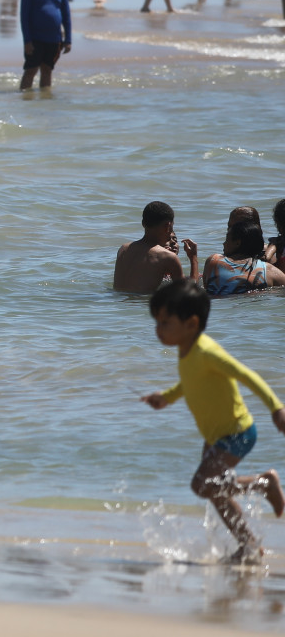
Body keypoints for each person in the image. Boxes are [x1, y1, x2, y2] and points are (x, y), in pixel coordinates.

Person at [140, 280, 285, 563]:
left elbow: (246, 375)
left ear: (191, 323)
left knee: (202, 485)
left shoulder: (207, 351)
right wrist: (166, 397)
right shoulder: (187, 350)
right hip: (215, 436)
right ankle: (249, 546)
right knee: (216, 493)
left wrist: (276, 407)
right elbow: (189, 383)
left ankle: (264, 484)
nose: (158, 329)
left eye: (165, 322)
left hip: (237, 433)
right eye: (157, 322)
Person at [113, 201, 199, 292]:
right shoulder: (168, 257)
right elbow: (188, 293)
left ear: (143, 223)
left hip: (119, 303)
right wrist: (193, 258)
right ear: (168, 226)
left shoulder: (123, 249)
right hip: (142, 304)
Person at [19, 0, 72, 90]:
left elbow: (66, 17)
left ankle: (45, 99)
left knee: (47, 70)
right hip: (35, 40)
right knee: (31, 70)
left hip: (54, 40)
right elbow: (24, 18)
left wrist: (68, 40)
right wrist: (27, 41)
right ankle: (25, 97)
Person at [203, 223, 285, 297]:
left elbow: (205, 287)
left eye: (227, 239)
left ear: (237, 243)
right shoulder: (268, 270)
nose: (224, 243)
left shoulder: (214, 260)